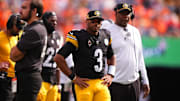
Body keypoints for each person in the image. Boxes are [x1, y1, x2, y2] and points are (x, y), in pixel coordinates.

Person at [54, 10, 116, 101]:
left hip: (101, 82)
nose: (96, 24)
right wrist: (73, 77)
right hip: (84, 84)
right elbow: (58, 58)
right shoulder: (78, 36)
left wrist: (111, 74)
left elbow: (111, 56)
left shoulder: (105, 35)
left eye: (98, 21)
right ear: (87, 22)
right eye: (93, 21)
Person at [101, 3, 150, 101]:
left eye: (127, 13)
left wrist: (145, 80)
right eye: (122, 13)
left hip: (134, 83)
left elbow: (140, 58)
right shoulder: (107, 32)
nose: (125, 16)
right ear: (115, 14)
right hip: (114, 83)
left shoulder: (135, 31)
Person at [10, 0, 47, 101]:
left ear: (34, 11)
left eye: (24, 8)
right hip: (25, 78)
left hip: (29, 78)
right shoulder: (33, 28)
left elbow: (14, 55)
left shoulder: (35, 30)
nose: (20, 11)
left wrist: (16, 50)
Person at [37, 11, 61, 101]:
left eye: (55, 21)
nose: (54, 23)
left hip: (53, 80)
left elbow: (58, 62)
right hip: (42, 79)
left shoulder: (57, 36)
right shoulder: (40, 35)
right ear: (44, 21)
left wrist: (58, 84)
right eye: (52, 21)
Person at [0, 14, 24, 101]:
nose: (19, 30)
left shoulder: (18, 36)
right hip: (4, 79)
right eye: (18, 27)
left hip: (16, 78)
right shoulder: (0, 37)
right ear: (10, 25)